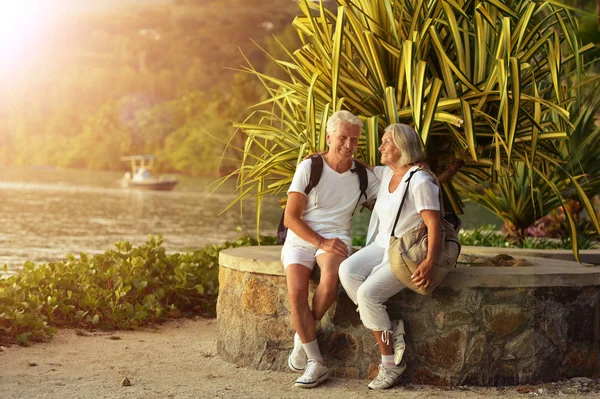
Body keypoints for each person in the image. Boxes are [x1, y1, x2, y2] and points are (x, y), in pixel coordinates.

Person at [338, 123, 442, 389]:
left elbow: (434, 224)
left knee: (367, 295)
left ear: (402, 147)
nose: (381, 146)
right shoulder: (387, 173)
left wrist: (430, 261)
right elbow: (363, 165)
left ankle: (390, 364)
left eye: (386, 142)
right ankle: (390, 326)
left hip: (405, 253)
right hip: (382, 245)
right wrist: (319, 155)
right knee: (346, 271)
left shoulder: (420, 180)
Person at [282, 110, 379, 389]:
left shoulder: (361, 174)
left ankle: (303, 337)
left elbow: (392, 194)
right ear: (329, 137)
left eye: (354, 140)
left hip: (336, 237)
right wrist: (319, 242)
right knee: (296, 293)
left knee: (330, 278)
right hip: (301, 236)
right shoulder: (310, 167)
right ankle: (316, 362)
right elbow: (291, 218)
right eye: (342, 138)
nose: (348, 145)